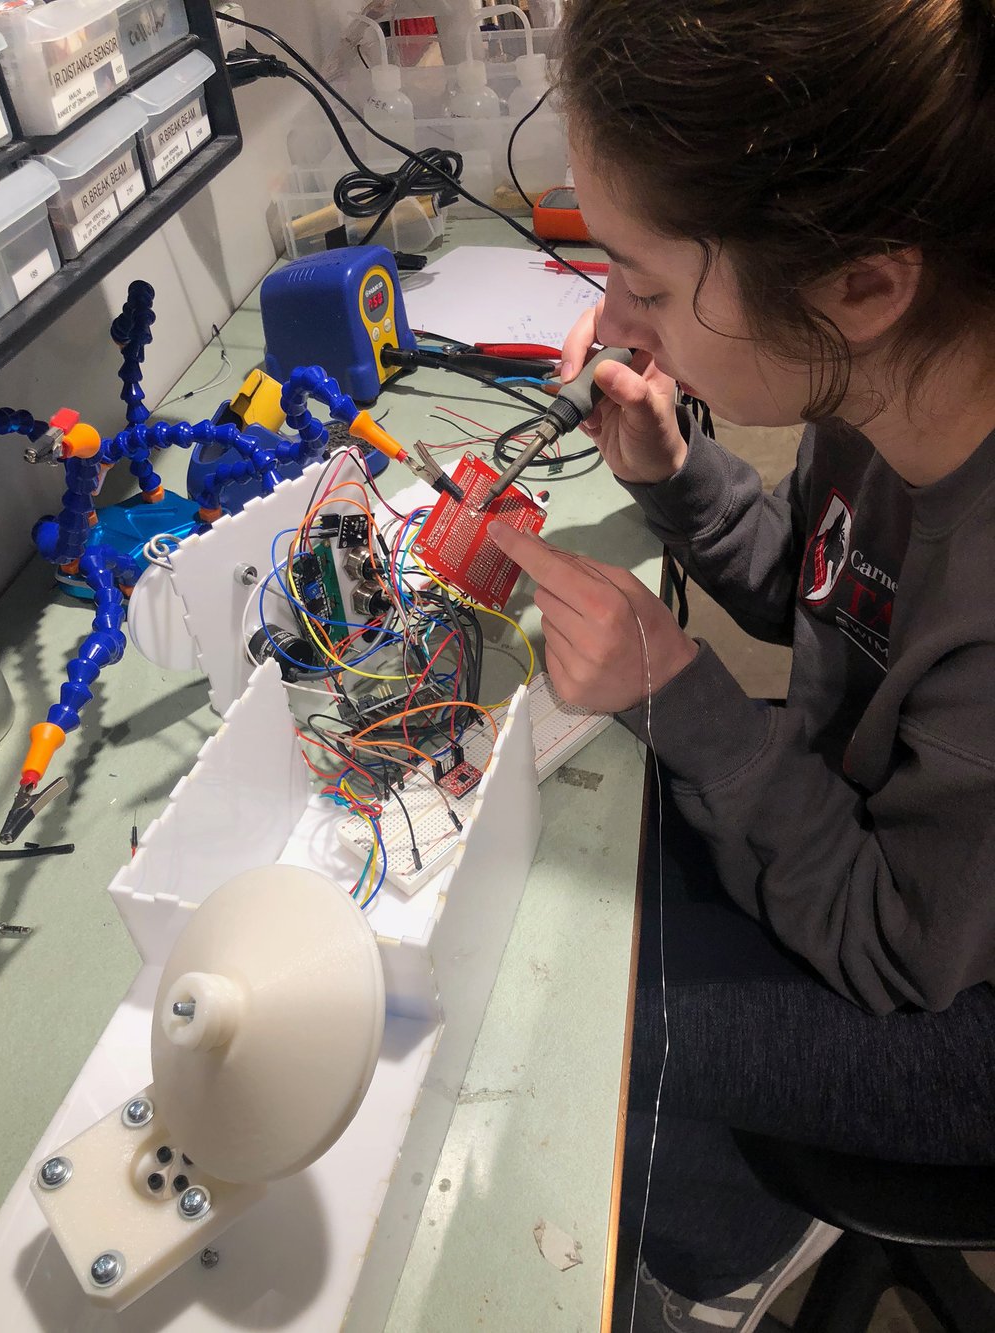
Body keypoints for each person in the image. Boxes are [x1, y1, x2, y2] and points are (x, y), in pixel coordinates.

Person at [490, 1, 995, 1328]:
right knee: (589, 857)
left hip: (953, 1008)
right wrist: (684, 481)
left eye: (645, 283)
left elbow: (898, 947)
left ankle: (725, 1257)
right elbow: (838, 601)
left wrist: (682, 698)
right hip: (898, 856)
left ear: (860, 284)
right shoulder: (890, 377)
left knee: (579, 1007)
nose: (614, 320)